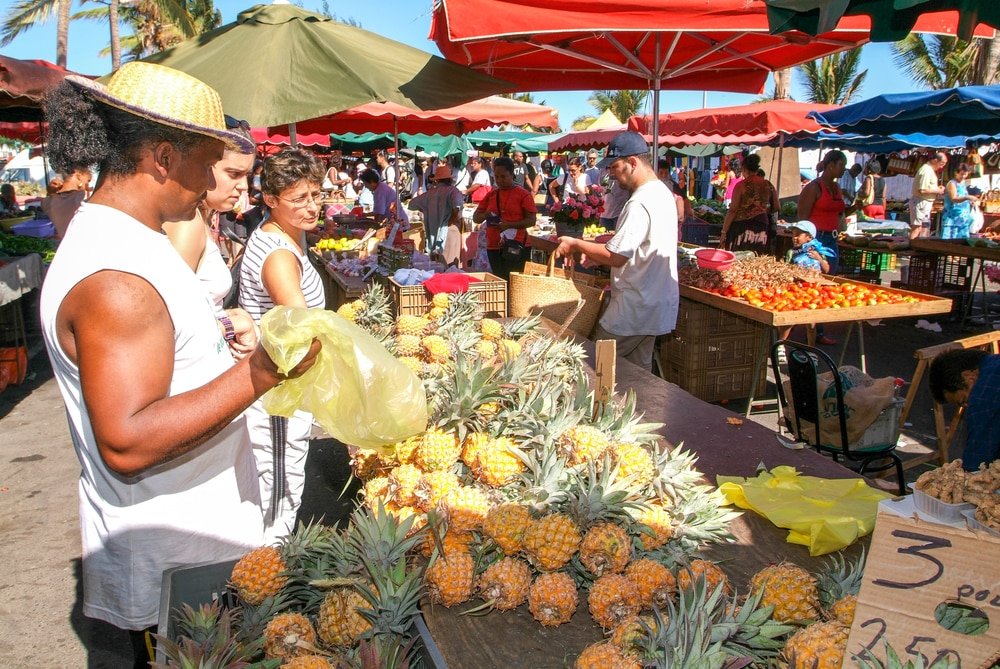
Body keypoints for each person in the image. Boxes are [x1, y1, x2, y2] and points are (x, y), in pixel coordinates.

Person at [39, 61, 320, 667]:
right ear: (164, 159)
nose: (212, 183)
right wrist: (260, 375)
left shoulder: (138, 243)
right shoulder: (118, 275)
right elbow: (127, 441)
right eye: (205, 161)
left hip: (194, 547)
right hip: (174, 561)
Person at [238, 147, 327, 542]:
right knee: (278, 490)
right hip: (277, 395)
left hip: (283, 389)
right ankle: (264, 580)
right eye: (300, 199)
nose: (312, 206)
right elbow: (299, 329)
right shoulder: (278, 255)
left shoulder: (283, 239)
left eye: (317, 194)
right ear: (271, 200)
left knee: (281, 483)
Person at [553, 132, 678, 371]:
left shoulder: (640, 201)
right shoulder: (661, 193)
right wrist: (596, 254)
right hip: (653, 303)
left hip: (633, 308)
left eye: (614, 166)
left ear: (632, 163)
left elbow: (617, 256)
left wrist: (577, 243)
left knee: (594, 368)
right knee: (637, 378)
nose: (610, 173)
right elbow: (637, 248)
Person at [163, 115, 256, 319]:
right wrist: (229, 326)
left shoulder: (198, 218)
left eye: (247, 176)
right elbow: (171, 319)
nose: (244, 186)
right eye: (233, 174)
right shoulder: (186, 224)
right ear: (206, 164)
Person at [798, 150, 856, 346]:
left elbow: (840, 212)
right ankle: (810, 329)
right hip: (817, 239)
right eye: (841, 164)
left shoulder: (837, 188)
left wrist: (859, 206)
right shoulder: (814, 188)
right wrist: (807, 244)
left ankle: (818, 330)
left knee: (827, 283)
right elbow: (803, 219)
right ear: (830, 165)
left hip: (832, 239)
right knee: (812, 283)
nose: (844, 169)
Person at [929, 349, 1000, 471]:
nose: (967, 406)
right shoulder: (995, 362)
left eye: (963, 400)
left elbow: (978, 457)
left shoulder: (982, 395)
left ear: (969, 377)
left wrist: (965, 478)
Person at [472, 156, 536, 280]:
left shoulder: (523, 195)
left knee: (516, 284)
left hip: (517, 245)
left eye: (503, 176)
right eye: (496, 177)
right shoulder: (491, 195)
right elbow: (476, 218)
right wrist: (486, 215)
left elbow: (532, 220)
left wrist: (509, 224)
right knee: (499, 281)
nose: (499, 180)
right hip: (494, 246)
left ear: (512, 174)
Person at [720, 154, 779, 255]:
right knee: (756, 259)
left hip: (741, 227)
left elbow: (733, 210)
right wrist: (762, 209)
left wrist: (724, 232)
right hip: (762, 227)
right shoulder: (768, 184)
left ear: (744, 168)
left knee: (739, 258)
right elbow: (777, 207)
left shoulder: (741, 185)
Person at [407, 163, 464, 261]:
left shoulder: (429, 194)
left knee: (436, 267)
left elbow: (411, 204)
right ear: (450, 179)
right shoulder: (453, 191)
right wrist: (451, 221)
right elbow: (457, 206)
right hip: (449, 231)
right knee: (450, 267)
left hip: (433, 233)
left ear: (437, 180)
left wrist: (425, 208)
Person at [42, 167, 91, 238]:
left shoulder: (46, 202)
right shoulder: (79, 196)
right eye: (87, 180)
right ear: (79, 176)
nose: (87, 184)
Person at [910, 151, 948, 240]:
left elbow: (928, 187)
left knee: (924, 229)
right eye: (941, 164)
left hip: (925, 203)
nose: (941, 167)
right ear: (935, 160)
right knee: (917, 228)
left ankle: (920, 248)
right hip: (920, 202)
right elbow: (922, 189)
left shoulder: (929, 170)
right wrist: (938, 190)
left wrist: (937, 188)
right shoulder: (926, 170)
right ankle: (911, 248)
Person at [941, 162, 979, 239]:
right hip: (952, 219)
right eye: (962, 174)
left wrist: (970, 202)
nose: (963, 176)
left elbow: (962, 197)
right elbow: (954, 198)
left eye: (965, 174)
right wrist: (967, 197)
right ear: (956, 173)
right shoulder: (952, 183)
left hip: (963, 219)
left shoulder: (963, 183)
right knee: (950, 242)